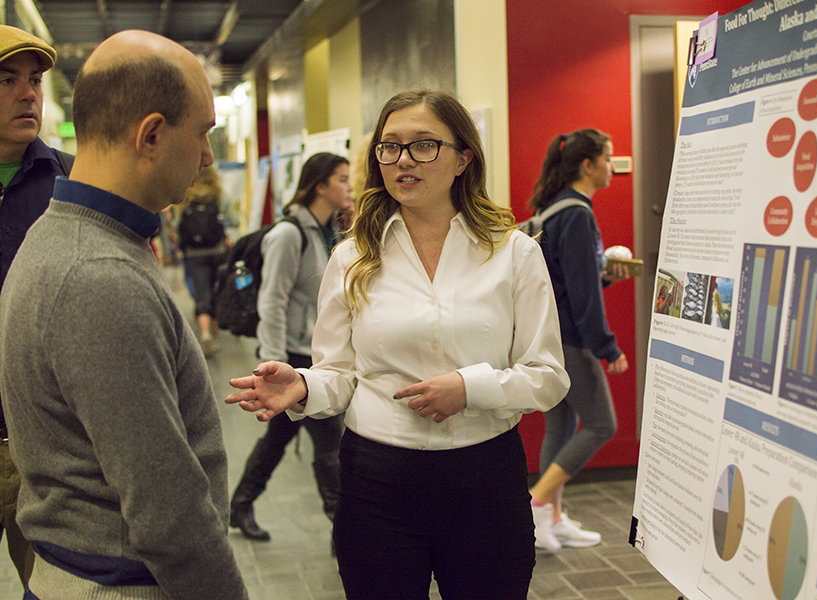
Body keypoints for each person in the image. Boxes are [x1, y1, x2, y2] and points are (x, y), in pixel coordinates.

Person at [226, 89, 569, 599]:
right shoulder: (352, 257)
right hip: (376, 483)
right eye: (389, 147)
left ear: (463, 158)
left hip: (485, 481)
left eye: (424, 145)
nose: (403, 160)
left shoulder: (513, 252)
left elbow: (548, 375)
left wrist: (470, 388)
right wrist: (301, 385)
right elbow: (340, 373)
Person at [0, 30, 248, 600]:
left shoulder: (67, 232)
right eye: (204, 132)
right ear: (152, 135)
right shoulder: (96, 274)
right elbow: (168, 512)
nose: (209, 156)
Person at [230, 152, 352, 541]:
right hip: (293, 359)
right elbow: (272, 300)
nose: (349, 187)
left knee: (278, 439)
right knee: (330, 444)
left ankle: (240, 504)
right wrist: (272, 364)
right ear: (320, 186)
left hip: (313, 354)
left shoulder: (325, 229)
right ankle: (343, 528)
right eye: (342, 180)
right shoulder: (289, 234)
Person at [526, 128, 632, 552]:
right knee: (603, 425)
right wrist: (607, 347)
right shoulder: (578, 214)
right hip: (570, 342)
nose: (612, 166)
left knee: (562, 425)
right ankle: (535, 506)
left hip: (549, 338)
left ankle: (550, 517)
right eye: (607, 158)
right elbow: (582, 296)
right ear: (588, 165)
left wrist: (603, 272)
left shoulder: (554, 208)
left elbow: (569, 283)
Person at [0, 25, 70, 591]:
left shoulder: (72, 182)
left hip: (46, 449)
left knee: (49, 587)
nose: (28, 94)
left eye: (35, 80)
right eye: (6, 79)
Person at [178, 165, 228, 356]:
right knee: (216, 291)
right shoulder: (218, 194)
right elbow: (231, 219)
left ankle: (205, 333)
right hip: (217, 251)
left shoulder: (186, 196)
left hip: (194, 254)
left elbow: (177, 225)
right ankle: (215, 339)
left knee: (202, 293)